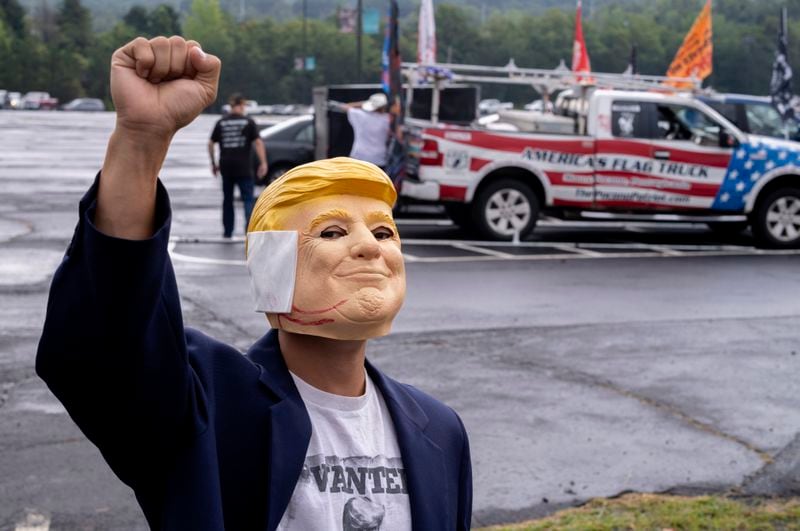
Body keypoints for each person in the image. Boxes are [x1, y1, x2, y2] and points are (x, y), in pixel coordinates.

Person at [36, 35, 472, 531]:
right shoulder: (209, 409)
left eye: (383, 230)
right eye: (331, 230)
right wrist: (140, 141)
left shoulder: (441, 431)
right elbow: (107, 344)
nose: (371, 247)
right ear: (271, 266)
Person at [209, 93, 268, 238]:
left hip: (226, 167)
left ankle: (228, 232)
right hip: (244, 167)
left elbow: (211, 143)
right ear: (240, 105)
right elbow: (258, 143)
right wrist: (263, 162)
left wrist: (213, 163)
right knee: (247, 199)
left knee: (227, 200)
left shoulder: (221, 122)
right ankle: (248, 231)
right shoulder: (248, 122)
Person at [343, 92, 393, 169]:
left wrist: (364, 103)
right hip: (378, 159)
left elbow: (346, 106)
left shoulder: (360, 115)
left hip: (359, 157)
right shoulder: (387, 119)